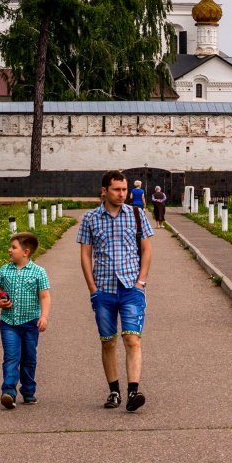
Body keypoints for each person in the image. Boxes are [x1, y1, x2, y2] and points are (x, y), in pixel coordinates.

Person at [78, 169, 154, 412]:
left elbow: (147, 250)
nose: (122, 194)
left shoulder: (137, 214)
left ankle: (133, 391)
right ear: (104, 191)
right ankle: (114, 391)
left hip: (131, 287)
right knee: (108, 342)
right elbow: (85, 255)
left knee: (132, 339)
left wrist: (141, 282)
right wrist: (92, 288)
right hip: (104, 290)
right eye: (117, 190)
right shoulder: (90, 218)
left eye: (125, 190)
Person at [0, 231, 51, 408]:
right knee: (11, 357)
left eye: (13, 247)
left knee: (29, 358)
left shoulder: (39, 272)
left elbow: (45, 296)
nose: (9, 250)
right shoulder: (4, 270)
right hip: (9, 323)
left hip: (31, 322)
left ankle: (28, 390)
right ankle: (8, 391)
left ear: (26, 252)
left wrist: (44, 317)